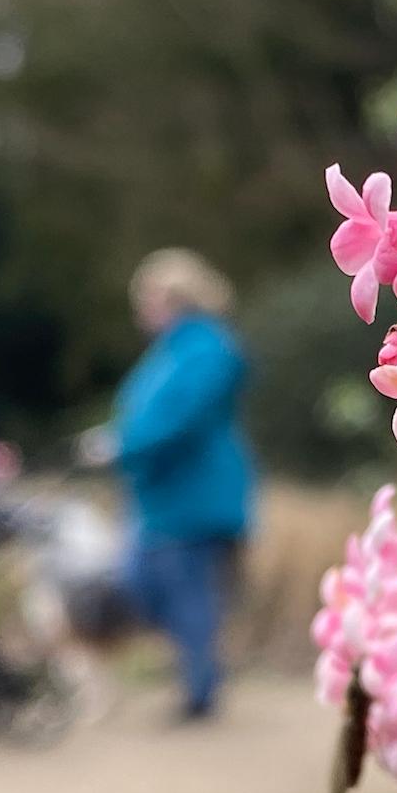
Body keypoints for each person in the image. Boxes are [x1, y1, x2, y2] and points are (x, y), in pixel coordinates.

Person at [80, 249, 254, 721]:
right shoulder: (174, 350)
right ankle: (198, 681)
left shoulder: (207, 348)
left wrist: (121, 445)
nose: (142, 310)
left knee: (187, 596)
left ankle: (200, 693)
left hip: (196, 496)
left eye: (148, 298)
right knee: (150, 588)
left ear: (174, 298)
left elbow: (178, 418)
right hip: (162, 498)